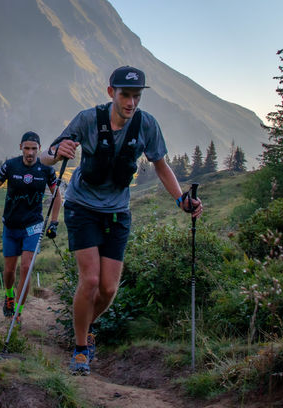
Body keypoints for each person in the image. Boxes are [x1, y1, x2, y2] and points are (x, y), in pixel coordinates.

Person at [40, 66, 203, 375]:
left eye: (136, 96)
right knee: (89, 280)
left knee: (108, 289)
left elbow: (161, 165)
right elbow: (49, 157)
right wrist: (54, 151)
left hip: (117, 212)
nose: (131, 102)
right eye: (125, 95)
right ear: (111, 92)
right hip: (82, 206)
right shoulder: (88, 119)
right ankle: (79, 349)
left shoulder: (146, 125)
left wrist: (182, 199)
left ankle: (83, 327)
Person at [0, 131, 62, 323]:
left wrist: (54, 222)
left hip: (33, 227)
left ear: (39, 149)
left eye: (34, 149)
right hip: (11, 226)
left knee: (26, 268)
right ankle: (9, 295)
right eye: (26, 148)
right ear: (20, 147)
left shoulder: (46, 170)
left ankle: (18, 312)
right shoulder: (11, 166)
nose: (30, 152)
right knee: (9, 271)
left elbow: (57, 196)